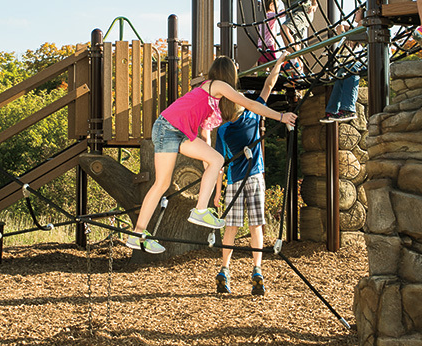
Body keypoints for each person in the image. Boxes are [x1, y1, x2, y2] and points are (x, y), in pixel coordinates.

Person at [126, 56, 297, 255]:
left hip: (178, 132)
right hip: (167, 128)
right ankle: (139, 232)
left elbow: (205, 138)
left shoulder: (213, 102)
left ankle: (195, 213)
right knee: (161, 184)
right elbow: (249, 103)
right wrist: (281, 116)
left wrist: (210, 168)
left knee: (216, 159)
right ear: (228, 74)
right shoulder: (217, 85)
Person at [212, 52, 290, 296]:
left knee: (231, 228)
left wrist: (217, 193)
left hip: (234, 181)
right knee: (257, 226)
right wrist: (277, 65)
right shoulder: (253, 113)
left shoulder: (223, 129)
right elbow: (268, 86)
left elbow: (218, 164)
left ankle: (224, 269)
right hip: (255, 178)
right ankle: (257, 270)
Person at [323, 8, 366, 121]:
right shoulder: (361, 25)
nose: (355, 14)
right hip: (364, 58)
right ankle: (331, 110)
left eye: (358, 12)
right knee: (341, 72)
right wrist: (347, 31)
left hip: (370, 58)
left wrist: (342, 33)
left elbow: (352, 42)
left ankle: (348, 109)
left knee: (350, 68)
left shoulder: (365, 23)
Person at [280, 0, 317, 71]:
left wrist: (314, 5)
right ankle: (299, 73)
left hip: (303, 12)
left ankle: (293, 62)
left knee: (284, 29)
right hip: (291, 14)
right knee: (296, 43)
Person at [257, 0, 286, 66]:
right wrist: (286, 10)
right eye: (276, 7)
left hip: (260, 43)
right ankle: (270, 72)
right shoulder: (270, 15)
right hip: (268, 43)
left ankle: (264, 72)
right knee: (272, 62)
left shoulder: (261, 16)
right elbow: (281, 14)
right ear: (271, 5)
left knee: (263, 61)